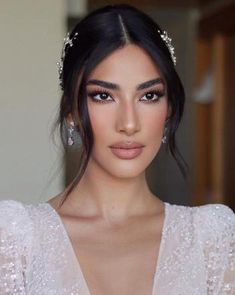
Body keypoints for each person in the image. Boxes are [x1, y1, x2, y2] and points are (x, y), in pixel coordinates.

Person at [0, 4, 234, 294]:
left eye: (149, 95)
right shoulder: (15, 240)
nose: (129, 123)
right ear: (70, 110)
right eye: (103, 96)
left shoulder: (210, 241)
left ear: (169, 109)